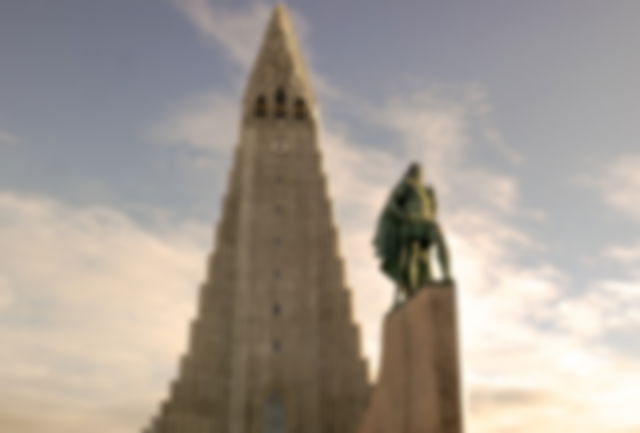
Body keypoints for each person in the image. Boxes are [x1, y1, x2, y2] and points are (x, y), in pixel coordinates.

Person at [373, 162, 452, 306]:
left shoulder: (426, 190)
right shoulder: (406, 183)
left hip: (426, 222)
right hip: (411, 222)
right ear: (412, 171)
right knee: (409, 257)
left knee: (439, 241)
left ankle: (447, 275)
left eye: (421, 171)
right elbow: (391, 204)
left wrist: (433, 200)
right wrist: (403, 216)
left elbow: (432, 212)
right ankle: (404, 293)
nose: (419, 173)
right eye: (417, 170)